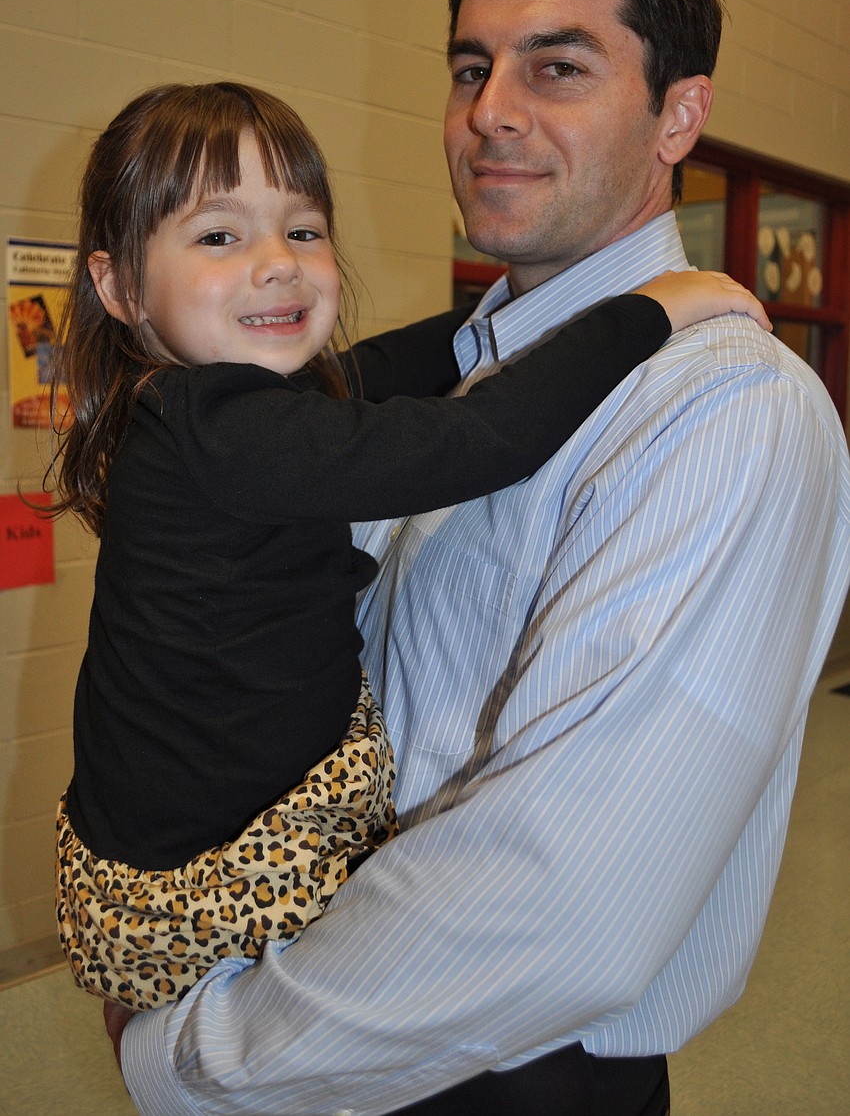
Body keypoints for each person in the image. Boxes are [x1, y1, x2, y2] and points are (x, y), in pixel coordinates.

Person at [114, 0, 850, 1116]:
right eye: (470, 67)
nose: (489, 113)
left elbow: (559, 901)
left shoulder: (724, 411)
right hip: (323, 988)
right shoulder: (467, 362)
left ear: (680, 113)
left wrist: (191, 1060)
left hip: (483, 1060)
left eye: (557, 66)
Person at [49, 80, 758, 1017]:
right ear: (119, 285)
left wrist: (522, 308)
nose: (279, 265)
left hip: (171, 833)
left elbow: (376, 369)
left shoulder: (214, 401)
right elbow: (476, 441)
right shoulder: (215, 427)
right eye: (220, 235)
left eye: (303, 229)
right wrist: (652, 309)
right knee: (439, 966)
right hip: (216, 874)